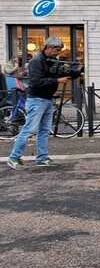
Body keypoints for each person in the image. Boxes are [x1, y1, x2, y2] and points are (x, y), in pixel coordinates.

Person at [6, 38, 80, 170]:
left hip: (47, 99)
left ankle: (42, 158)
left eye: (59, 50)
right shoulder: (36, 61)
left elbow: (61, 72)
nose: (58, 53)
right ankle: (13, 158)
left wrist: (75, 71)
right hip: (36, 99)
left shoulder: (52, 60)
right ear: (48, 47)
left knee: (44, 131)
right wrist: (57, 80)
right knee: (29, 129)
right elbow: (35, 82)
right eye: (56, 50)